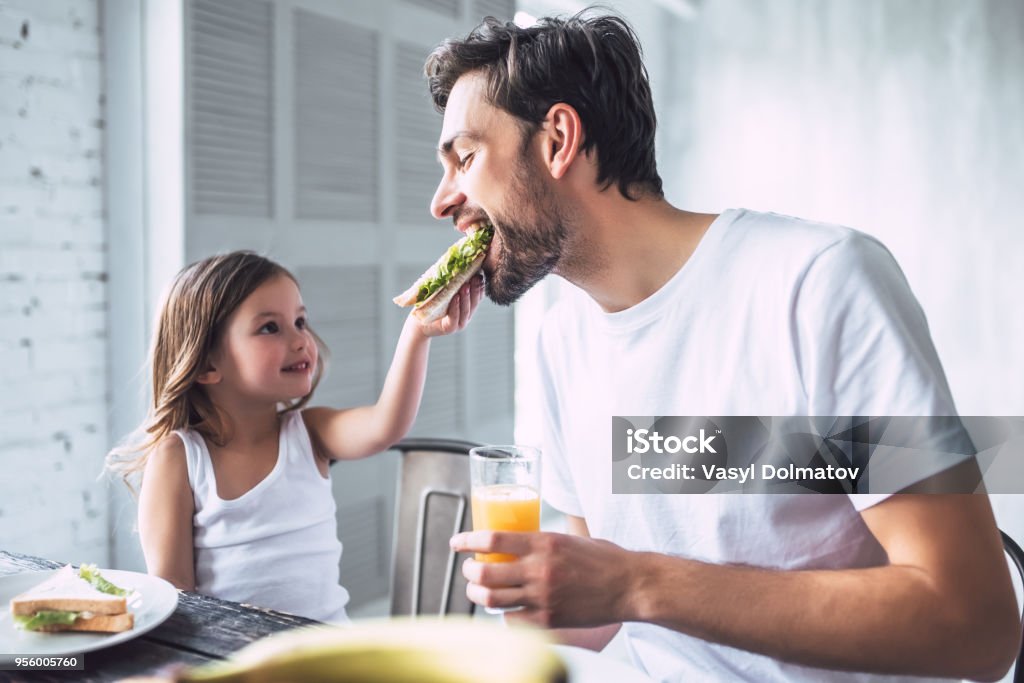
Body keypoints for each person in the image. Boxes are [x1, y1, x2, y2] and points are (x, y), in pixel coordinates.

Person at [428, 12, 1020, 682]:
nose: (441, 201)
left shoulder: (819, 285)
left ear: (559, 139)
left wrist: (638, 582)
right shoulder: (561, 342)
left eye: (464, 158)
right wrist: (534, 590)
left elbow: (975, 623)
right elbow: (595, 614)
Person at [107, 251, 482, 623]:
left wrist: (417, 332)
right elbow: (176, 598)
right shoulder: (180, 458)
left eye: (300, 321)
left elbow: (386, 424)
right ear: (207, 363)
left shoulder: (310, 433)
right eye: (270, 327)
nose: (301, 340)